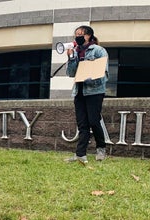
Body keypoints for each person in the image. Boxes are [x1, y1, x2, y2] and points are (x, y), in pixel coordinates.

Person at [65, 25, 109, 164]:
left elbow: (104, 73)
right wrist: (71, 57)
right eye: (76, 34)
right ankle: (80, 154)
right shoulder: (76, 52)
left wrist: (91, 76)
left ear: (88, 35)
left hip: (95, 92)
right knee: (82, 124)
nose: (77, 36)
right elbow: (71, 73)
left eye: (80, 34)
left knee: (94, 121)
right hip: (79, 92)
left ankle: (101, 148)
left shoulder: (98, 50)